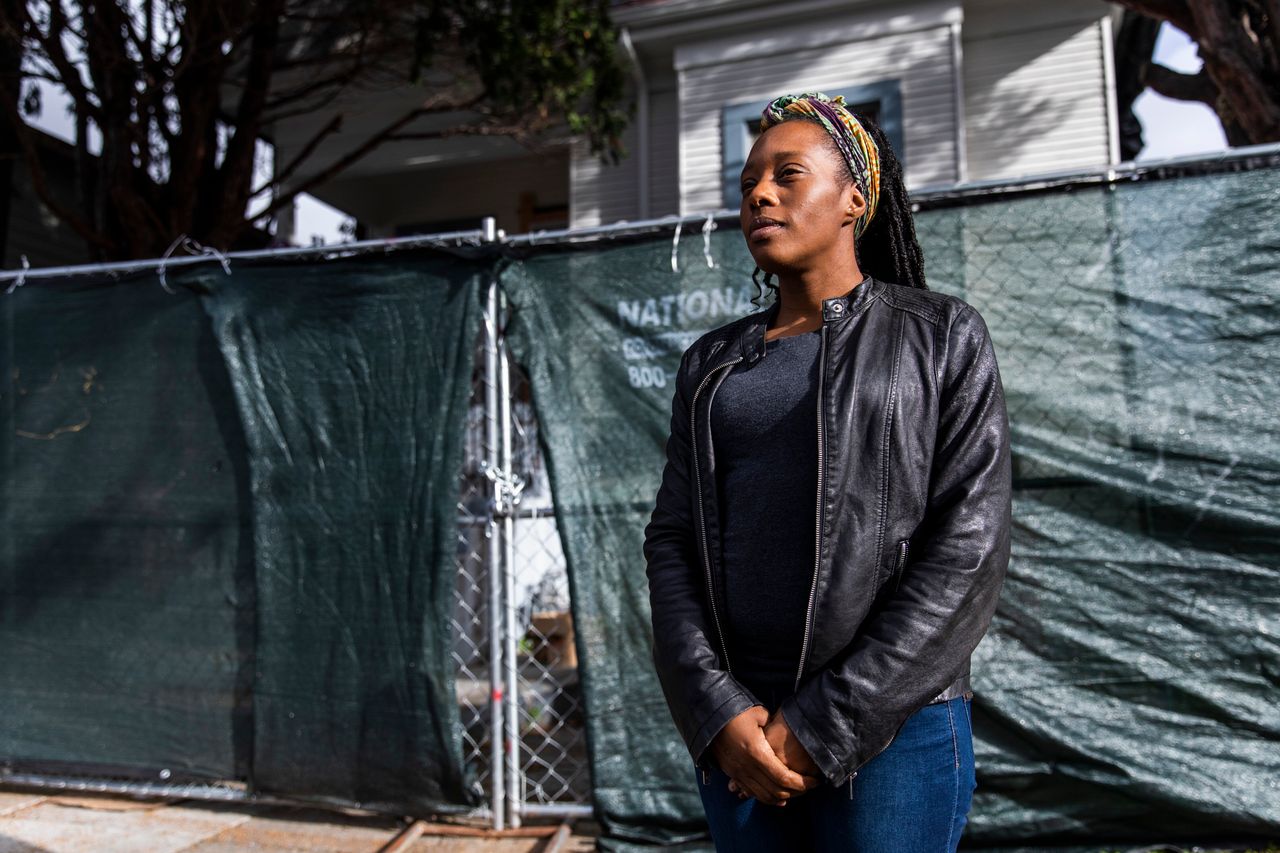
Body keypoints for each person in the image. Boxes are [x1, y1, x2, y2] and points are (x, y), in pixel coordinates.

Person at [642, 91, 1012, 852]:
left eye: (787, 174)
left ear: (854, 198)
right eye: (748, 181)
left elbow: (968, 549)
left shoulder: (940, 337)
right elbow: (672, 540)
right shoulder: (711, 363)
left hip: (894, 729)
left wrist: (825, 720)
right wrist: (714, 709)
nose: (759, 193)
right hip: (743, 737)